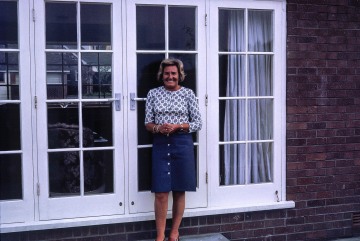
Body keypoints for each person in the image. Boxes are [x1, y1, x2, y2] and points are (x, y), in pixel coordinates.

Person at [145, 58, 202, 241]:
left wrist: (178, 126)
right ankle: (160, 236)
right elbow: (147, 123)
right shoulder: (153, 94)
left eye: (174, 74)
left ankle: (174, 232)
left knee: (179, 190)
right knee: (161, 192)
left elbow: (198, 123)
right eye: (167, 73)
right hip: (161, 143)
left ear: (180, 76)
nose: (170, 77)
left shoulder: (188, 94)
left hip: (182, 143)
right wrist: (158, 128)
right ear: (162, 76)